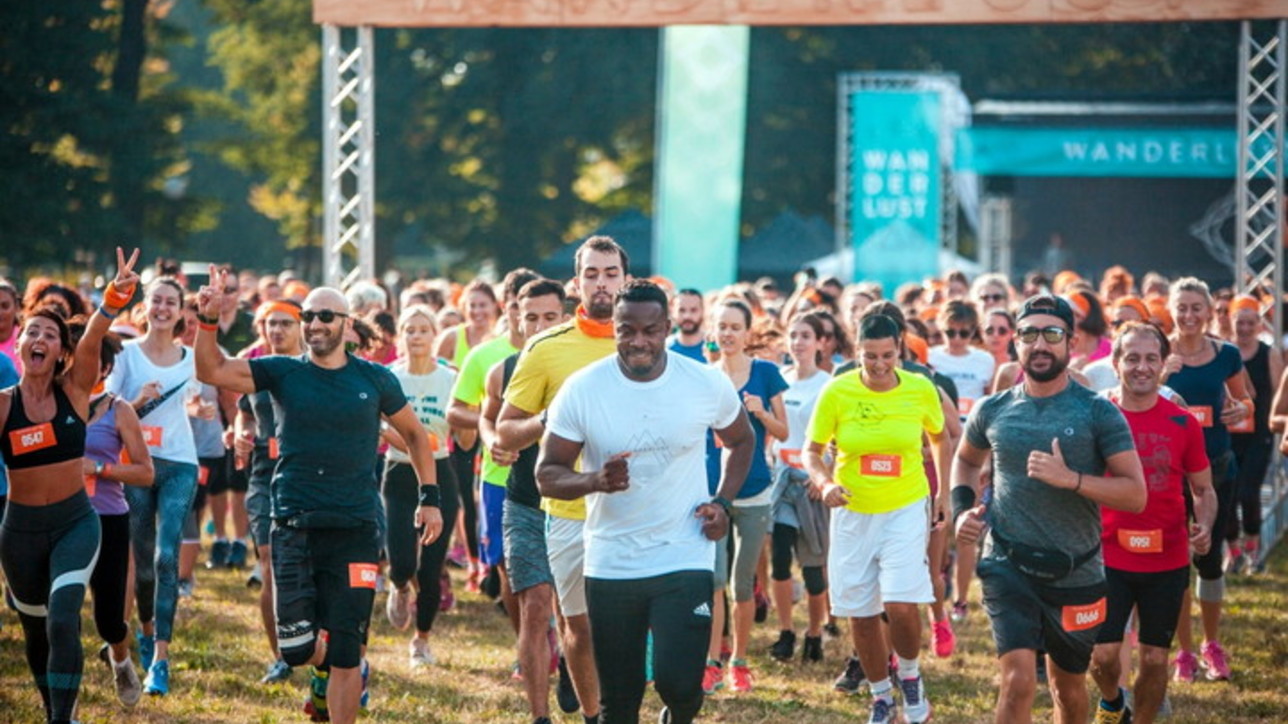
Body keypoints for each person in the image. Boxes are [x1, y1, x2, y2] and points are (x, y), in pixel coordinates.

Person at [194, 271, 443, 724]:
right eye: (308, 316)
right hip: (294, 524)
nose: (314, 324)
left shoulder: (375, 379)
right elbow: (211, 370)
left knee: (347, 649)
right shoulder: (283, 371)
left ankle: (345, 668)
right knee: (296, 648)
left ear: (347, 325)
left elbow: (415, 436)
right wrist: (207, 321)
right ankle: (326, 665)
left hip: (356, 528)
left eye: (326, 316)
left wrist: (430, 497)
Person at [537, 279, 755, 724]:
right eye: (627, 330)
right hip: (612, 559)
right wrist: (594, 480)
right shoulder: (583, 389)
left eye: (651, 330)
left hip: (684, 550)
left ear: (667, 327)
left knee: (681, 685)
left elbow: (741, 440)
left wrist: (723, 503)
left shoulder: (703, 382)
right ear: (614, 328)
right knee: (619, 702)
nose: (639, 341)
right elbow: (547, 474)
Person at [953, 294, 1146, 724]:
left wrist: (1072, 479)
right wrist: (963, 507)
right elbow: (965, 460)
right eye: (1029, 334)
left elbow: (1136, 494)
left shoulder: (1098, 412)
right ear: (1015, 343)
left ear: (1071, 342)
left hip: (1076, 570)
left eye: (1052, 334)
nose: (1040, 344)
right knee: (1018, 681)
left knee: (1067, 688)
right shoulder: (994, 409)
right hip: (1008, 563)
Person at [0, 247, 139, 724]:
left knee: (64, 619)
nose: (40, 338)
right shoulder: (3, 406)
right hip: (20, 532)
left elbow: (95, 334)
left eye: (51, 334)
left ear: (62, 351)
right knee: (36, 633)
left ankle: (62, 719)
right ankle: (53, 710)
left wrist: (112, 299)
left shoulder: (75, 392)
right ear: (19, 344)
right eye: (33, 331)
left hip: (75, 523)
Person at [497, 235, 632, 724]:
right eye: (591, 274)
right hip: (565, 510)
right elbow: (507, 429)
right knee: (576, 625)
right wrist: (548, 418)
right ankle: (590, 714)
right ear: (576, 283)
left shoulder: (646, 343)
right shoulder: (545, 347)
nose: (601, 284)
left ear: (627, 280)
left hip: (634, 511)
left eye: (611, 273)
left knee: (624, 628)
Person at [805, 313, 950, 724]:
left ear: (899, 350)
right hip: (853, 510)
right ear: (857, 352)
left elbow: (940, 436)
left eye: (888, 355)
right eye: (870, 356)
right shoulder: (838, 391)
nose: (880, 364)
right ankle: (881, 696)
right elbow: (812, 450)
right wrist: (825, 483)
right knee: (862, 611)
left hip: (905, 506)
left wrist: (942, 493)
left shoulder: (920, 388)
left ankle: (910, 676)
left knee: (900, 602)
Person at [1090, 322, 1216, 724]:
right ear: (1115, 363)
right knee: (1103, 655)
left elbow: (1203, 489)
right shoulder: (1097, 417)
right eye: (1132, 358)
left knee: (1155, 659)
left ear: (1163, 364)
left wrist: (1205, 524)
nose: (1141, 367)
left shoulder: (1183, 422)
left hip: (1167, 557)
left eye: (1150, 359)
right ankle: (1113, 701)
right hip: (1107, 554)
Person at [106, 274, 203, 696]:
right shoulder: (125, 355)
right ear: (145, 306)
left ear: (181, 312)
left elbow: (195, 400)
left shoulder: (191, 358)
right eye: (156, 301)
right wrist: (138, 402)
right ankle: (145, 632)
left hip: (180, 463)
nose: (163, 308)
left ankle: (161, 659)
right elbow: (108, 410)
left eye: (170, 303)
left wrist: (200, 409)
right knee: (143, 563)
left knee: (167, 557)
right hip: (137, 465)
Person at [488, 279, 570, 724]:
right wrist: (494, 442)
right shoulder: (504, 369)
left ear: (565, 318)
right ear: (517, 319)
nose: (539, 326)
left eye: (549, 317)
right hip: (523, 501)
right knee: (535, 605)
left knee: (576, 613)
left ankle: (574, 665)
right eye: (531, 317)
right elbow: (488, 420)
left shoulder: (584, 366)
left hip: (578, 503)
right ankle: (540, 716)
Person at [1162, 277, 1251, 683]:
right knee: (1177, 561)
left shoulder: (1226, 354)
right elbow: (1134, 397)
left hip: (1215, 470)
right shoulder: (1158, 353)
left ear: (1210, 311)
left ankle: (1212, 645)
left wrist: (1241, 410)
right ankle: (1183, 652)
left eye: (1196, 307)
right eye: (1181, 307)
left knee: (1209, 558)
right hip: (1168, 472)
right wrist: (1159, 375)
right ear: (1171, 310)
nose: (1188, 315)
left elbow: (1244, 399)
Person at [702, 299, 788, 694]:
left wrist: (760, 413)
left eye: (735, 327)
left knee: (742, 583)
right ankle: (711, 662)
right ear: (714, 331)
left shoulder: (766, 373)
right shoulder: (705, 377)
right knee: (714, 581)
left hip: (754, 491)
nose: (728, 334)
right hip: (713, 493)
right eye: (722, 326)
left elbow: (784, 432)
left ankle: (739, 661)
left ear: (747, 332)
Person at [380, 304, 459, 667]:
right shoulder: (389, 377)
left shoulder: (450, 378)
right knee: (401, 560)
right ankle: (398, 585)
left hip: (440, 471)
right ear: (401, 337)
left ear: (434, 336)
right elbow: (381, 425)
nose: (416, 337)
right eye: (409, 330)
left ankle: (421, 640)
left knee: (430, 567)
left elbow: (463, 425)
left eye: (423, 330)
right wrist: (407, 440)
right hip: (399, 472)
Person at [231, 300, 304, 684]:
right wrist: (241, 432)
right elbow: (244, 411)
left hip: (307, 478)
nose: (277, 330)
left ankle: (312, 644)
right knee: (269, 561)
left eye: (285, 324)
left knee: (306, 566)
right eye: (271, 324)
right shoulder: (256, 368)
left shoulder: (313, 369)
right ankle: (280, 657)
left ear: (302, 327)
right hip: (263, 476)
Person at [82, 330, 155, 706]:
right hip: (60, 515)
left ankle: (121, 659)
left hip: (107, 517)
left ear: (106, 368)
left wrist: (98, 468)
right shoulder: (51, 403)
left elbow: (145, 472)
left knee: (109, 620)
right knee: (58, 610)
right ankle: (62, 694)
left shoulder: (119, 409)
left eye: (93, 360)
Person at [767, 313, 832, 664]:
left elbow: (838, 436)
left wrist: (824, 475)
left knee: (812, 568)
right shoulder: (779, 379)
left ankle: (815, 634)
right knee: (779, 558)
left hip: (811, 486)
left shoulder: (829, 385)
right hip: (782, 483)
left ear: (821, 342)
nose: (798, 342)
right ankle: (786, 631)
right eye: (793, 335)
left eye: (806, 335)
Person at [1225, 295, 1281, 574]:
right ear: (1231, 322)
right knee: (1227, 494)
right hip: (1227, 434)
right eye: (1240, 322)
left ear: (1259, 324)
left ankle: (1253, 549)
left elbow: (1280, 393)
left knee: (1249, 492)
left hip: (1259, 435)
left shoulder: (1268, 354)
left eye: (1250, 323)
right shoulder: (1223, 352)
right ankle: (1233, 551)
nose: (1245, 328)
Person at [929, 300, 995, 418]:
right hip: (941, 423)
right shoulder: (930, 356)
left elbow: (989, 398)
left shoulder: (985, 360)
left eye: (964, 333)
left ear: (973, 332)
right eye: (950, 332)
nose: (957, 339)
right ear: (941, 329)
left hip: (973, 423)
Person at [667, 288, 706, 363]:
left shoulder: (713, 348)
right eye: (681, 310)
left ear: (702, 311)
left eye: (693, 310)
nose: (687, 316)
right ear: (672, 311)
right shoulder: (665, 349)